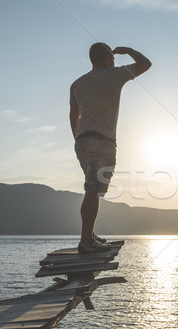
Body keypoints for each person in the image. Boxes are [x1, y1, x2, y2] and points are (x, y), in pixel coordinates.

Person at [70, 43, 151, 253]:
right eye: (113, 58)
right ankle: (86, 242)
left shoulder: (77, 84)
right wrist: (129, 50)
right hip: (101, 141)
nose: (115, 62)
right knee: (92, 190)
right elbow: (145, 64)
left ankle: (89, 235)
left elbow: (73, 114)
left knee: (92, 190)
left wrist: (78, 138)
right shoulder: (113, 75)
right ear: (107, 58)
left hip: (82, 142)